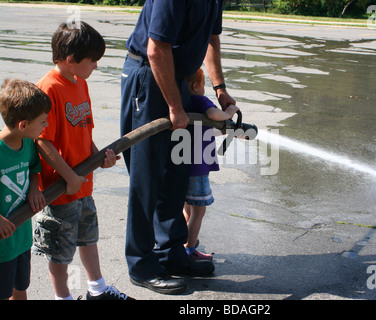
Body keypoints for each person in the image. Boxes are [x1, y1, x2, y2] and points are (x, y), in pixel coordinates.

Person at [121, 0, 236, 294]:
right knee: (147, 176)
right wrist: (174, 106)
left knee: (176, 171)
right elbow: (156, 48)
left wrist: (219, 88)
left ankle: (170, 253)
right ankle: (141, 263)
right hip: (150, 75)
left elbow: (211, 38)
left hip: (179, 79)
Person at [32, 21, 133, 300]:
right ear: (70, 59)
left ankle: (97, 290)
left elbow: (83, 128)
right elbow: (42, 141)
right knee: (60, 251)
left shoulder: (80, 83)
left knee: (89, 238)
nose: (96, 67)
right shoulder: (48, 89)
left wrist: (100, 156)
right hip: (60, 190)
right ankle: (62, 297)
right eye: (93, 60)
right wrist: (69, 177)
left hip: (82, 184)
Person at [0, 79, 50, 300]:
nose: (45, 126)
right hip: (2, 246)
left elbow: (32, 168)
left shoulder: (28, 143)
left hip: (21, 240)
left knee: (20, 288)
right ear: (23, 125)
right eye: (42, 122)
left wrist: (35, 188)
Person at [183, 68, 239, 261]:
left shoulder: (179, 101)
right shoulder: (199, 100)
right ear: (196, 85)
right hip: (197, 167)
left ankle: (186, 236)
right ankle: (189, 248)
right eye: (204, 86)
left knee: (185, 204)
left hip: (178, 164)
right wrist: (230, 112)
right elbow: (214, 114)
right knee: (199, 210)